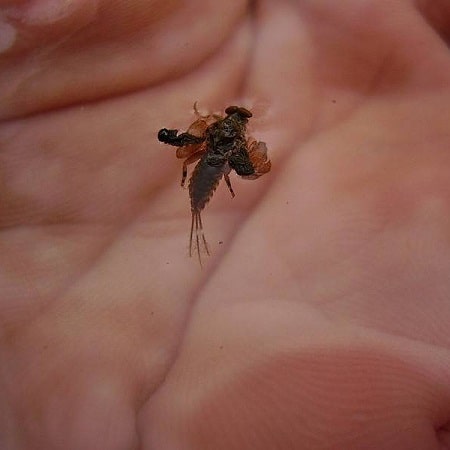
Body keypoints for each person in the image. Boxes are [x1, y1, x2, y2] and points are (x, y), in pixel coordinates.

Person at [1, 1, 450, 448]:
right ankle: (198, 213)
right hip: (210, 169)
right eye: (235, 117)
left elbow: (235, 157)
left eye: (237, 118)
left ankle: (197, 212)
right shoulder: (228, 133)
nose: (235, 120)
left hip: (207, 169)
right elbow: (226, 152)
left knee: (200, 199)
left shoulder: (225, 133)